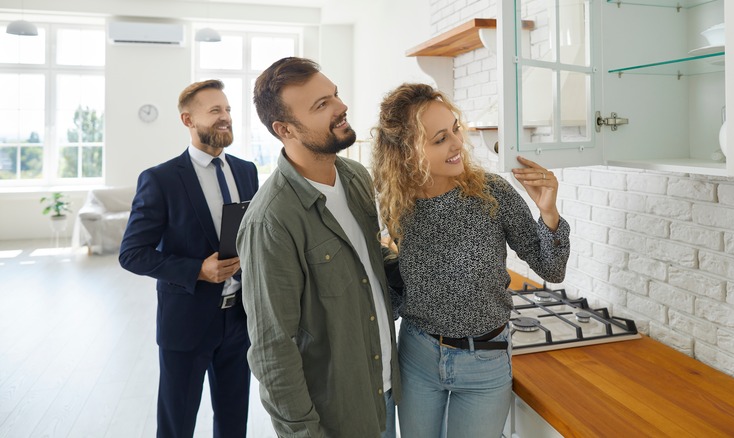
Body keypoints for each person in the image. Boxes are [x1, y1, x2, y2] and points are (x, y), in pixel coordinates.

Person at [371, 83, 570, 438]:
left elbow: (551, 269)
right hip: (418, 354)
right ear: (405, 153)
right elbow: (403, 278)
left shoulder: (492, 192)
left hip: (486, 362)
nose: (457, 144)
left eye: (456, 130)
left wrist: (549, 212)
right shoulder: (395, 203)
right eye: (439, 139)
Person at [236, 57, 400, 438]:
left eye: (335, 95)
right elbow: (272, 349)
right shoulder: (270, 221)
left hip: (384, 390)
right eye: (320, 105)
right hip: (334, 416)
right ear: (285, 129)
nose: (341, 107)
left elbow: (367, 259)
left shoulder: (355, 177)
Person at [119, 79, 259, 437]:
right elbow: (132, 254)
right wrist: (198, 269)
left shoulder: (246, 171)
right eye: (215, 111)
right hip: (186, 322)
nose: (226, 117)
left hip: (239, 320)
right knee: (177, 424)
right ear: (187, 120)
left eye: (227, 110)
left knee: (233, 422)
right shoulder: (160, 179)